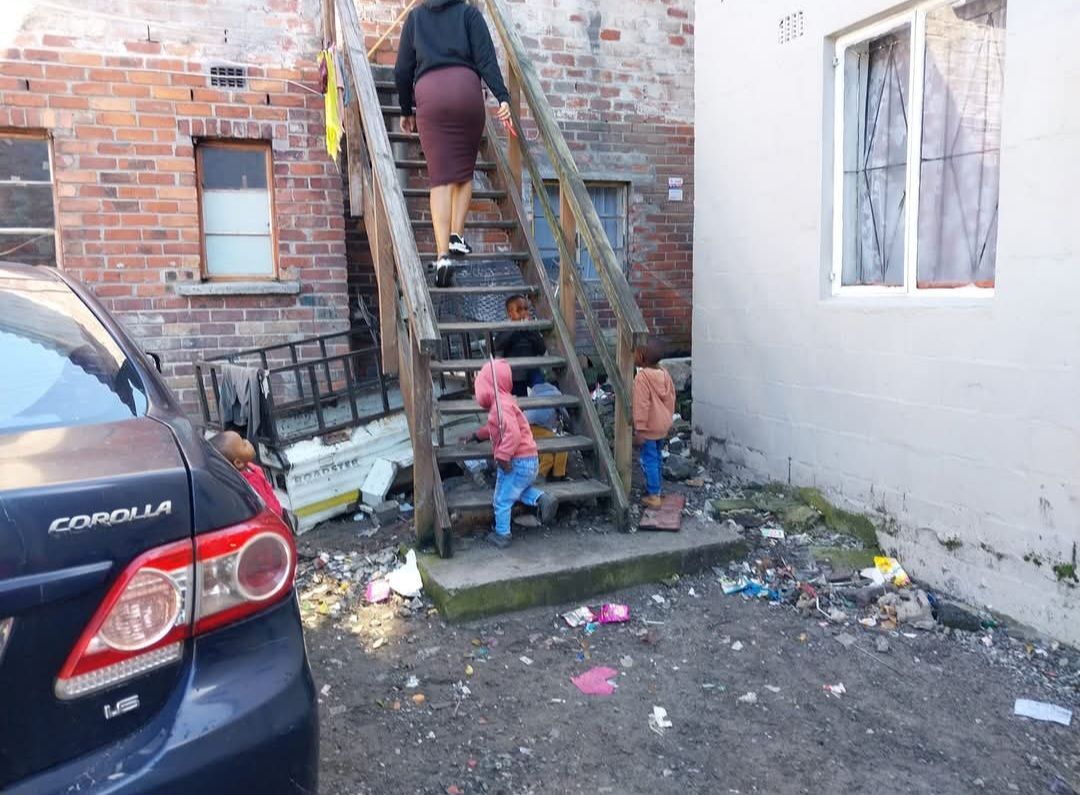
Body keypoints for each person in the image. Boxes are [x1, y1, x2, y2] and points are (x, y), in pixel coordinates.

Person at [394, 0, 512, 287]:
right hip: (466, 92)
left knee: (441, 179)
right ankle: (457, 236)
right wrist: (503, 97)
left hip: (431, 95)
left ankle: (443, 254)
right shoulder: (469, 13)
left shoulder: (416, 18)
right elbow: (486, 59)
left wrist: (406, 110)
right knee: (463, 171)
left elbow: (401, 71)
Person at [466, 359, 558, 548]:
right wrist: (477, 435)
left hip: (515, 461)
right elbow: (495, 428)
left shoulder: (500, 408)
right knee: (517, 489)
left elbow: (513, 434)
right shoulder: (506, 402)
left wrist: (503, 456)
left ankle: (502, 534)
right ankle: (541, 498)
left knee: (501, 499)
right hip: (529, 460)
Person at [632, 343, 675, 509]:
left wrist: (640, 429)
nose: (634, 357)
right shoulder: (665, 374)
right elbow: (671, 398)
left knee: (649, 459)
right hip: (662, 425)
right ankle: (657, 490)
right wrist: (667, 419)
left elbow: (641, 405)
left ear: (642, 358)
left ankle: (654, 496)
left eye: (635, 354)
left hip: (649, 428)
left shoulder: (642, 378)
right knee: (657, 457)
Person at [211, 430, 284, 518]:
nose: (247, 441)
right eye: (244, 444)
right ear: (238, 463)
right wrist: (280, 513)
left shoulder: (248, 466)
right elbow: (272, 511)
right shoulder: (252, 484)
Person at [493, 294, 546, 397]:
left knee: (540, 388)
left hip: (532, 369)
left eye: (526, 309)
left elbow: (541, 349)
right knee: (520, 398)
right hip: (515, 373)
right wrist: (515, 328)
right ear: (510, 314)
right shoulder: (505, 329)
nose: (524, 313)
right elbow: (499, 345)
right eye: (519, 310)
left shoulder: (532, 328)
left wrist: (530, 330)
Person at [524, 381, 569, 480]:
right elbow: (564, 414)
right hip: (540, 428)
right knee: (562, 448)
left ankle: (541, 475)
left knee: (547, 455)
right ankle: (559, 475)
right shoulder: (557, 395)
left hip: (526, 428)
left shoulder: (534, 394)